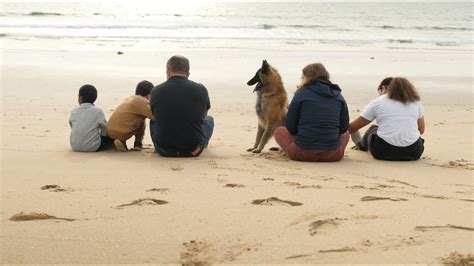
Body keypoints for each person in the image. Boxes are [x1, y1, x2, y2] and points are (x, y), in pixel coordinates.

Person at [274, 63, 350, 162]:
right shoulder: (338, 95)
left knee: (279, 131)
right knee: (346, 134)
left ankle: (293, 149)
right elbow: (344, 127)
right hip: (332, 155)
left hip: (302, 153)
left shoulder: (301, 94)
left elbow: (291, 126)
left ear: (307, 77)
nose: (301, 80)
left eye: (302, 77)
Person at [149, 55, 214, 157]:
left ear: (168, 71)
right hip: (193, 148)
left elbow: (154, 115)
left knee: (153, 121)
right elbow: (204, 115)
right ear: (188, 73)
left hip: (164, 149)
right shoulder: (201, 89)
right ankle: (201, 145)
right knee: (209, 120)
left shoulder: (156, 90)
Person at [349, 77, 425, 161]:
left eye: (380, 92)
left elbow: (353, 127)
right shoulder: (415, 102)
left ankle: (362, 146)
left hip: (383, 152)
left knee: (373, 128)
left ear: (384, 88)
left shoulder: (378, 102)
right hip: (414, 152)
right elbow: (421, 130)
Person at [107, 80, 155, 152]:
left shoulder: (131, 98)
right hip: (122, 133)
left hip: (109, 131)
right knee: (143, 119)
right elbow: (155, 117)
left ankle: (122, 142)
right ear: (149, 95)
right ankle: (137, 143)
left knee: (139, 117)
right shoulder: (142, 101)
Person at [69, 84, 113, 152]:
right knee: (110, 139)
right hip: (92, 148)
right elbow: (104, 128)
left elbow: (72, 125)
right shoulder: (98, 111)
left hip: (74, 147)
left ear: (80, 98)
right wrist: (103, 137)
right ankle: (112, 146)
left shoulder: (73, 111)